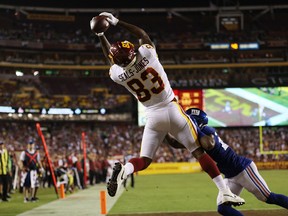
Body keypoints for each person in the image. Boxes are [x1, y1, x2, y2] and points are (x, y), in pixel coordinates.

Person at [91, 11, 245, 206]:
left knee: (144, 160)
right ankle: (225, 192)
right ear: (132, 51)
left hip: (153, 117)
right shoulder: (147, 54)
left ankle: (125, 170)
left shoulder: (119, 76)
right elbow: (142, 34)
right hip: (172, 109)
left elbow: (109, 58)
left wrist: (100, 35)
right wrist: (116, 21)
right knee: (199, 152)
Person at [165, 107, 288, 215]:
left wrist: (196, 129)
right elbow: (175, 144)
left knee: (268, 197)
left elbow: (209, 144)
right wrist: (164, 130)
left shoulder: (207, 131)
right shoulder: (197, 136)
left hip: (242, 168)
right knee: (223, 208)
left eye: (189, 120)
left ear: (195, 122)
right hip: (230, 175)